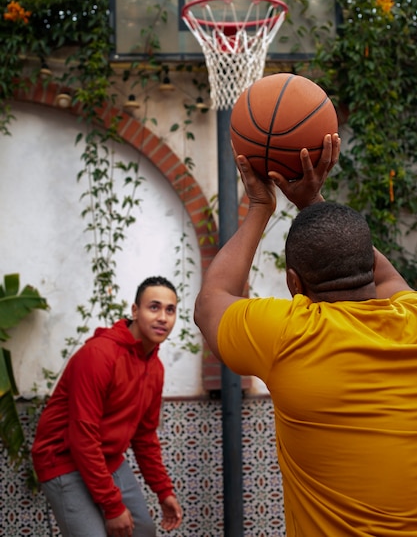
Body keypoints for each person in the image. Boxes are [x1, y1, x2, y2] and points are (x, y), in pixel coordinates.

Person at [194, 133, 417, 536]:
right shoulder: (413, 315)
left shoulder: (290, 337)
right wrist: (314, 204)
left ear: (293, 283)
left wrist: (260, 206)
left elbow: (211, 300)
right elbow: (383, 276)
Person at [32, 276, 183, 537]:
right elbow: (82, 435)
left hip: (107, 460)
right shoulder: (99, 355)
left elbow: (144, 437)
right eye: (154, 307)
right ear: (135, 311)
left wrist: (164, 490)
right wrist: (112, 507)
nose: (163, 317)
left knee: (143, 531)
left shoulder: (154, 368)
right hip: (62, 458)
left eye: (170, 310)